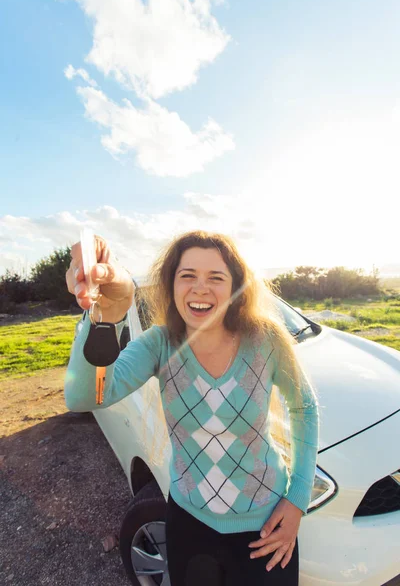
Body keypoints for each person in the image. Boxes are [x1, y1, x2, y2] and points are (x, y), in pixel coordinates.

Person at [65, 230, 320, 586]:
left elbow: (304, 408)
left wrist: (297, 500)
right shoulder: (159, 344)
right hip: (189, 523)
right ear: (171, 285)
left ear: (235, 287)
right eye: (188, 276)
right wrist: (103, 315)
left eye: (216, 278)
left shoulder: (265, 340)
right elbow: (83, 396)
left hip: (265, 529)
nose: (200, 288)